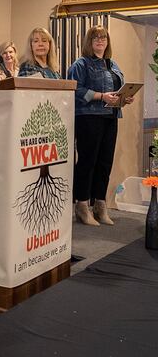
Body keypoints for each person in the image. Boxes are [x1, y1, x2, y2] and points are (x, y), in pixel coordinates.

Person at [67, 26, 133, 226]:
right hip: (88, 117)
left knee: (105, 162)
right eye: (95, 37)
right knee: (88, 162)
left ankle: (100, 205)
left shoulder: (113, 65)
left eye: (103, 37)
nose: (100, 40)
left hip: (110, 117)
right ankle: (82, 206)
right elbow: (75, 89)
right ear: (89, 41)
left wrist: (124, 98)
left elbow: (115, 90)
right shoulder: (81, 64)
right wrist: (101, 96)